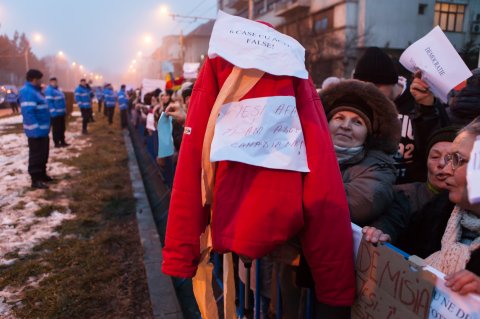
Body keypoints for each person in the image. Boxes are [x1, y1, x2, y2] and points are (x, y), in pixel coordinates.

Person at [162, 23, 355, 317]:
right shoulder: (295, 75)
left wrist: (182, 253)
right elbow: (323, 183)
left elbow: (191, 167)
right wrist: (335, 286)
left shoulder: (217, 66)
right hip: (282, 234)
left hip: (230, 232)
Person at [364, 117, 480, 295]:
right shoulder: (435, 213)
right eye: (438, 157)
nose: (446, 169)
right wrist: (384, 239)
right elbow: (406, 256)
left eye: (458, 160)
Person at [353, 47, 448, 184]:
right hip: (373, 186)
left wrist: (427, 109)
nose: (371, 94)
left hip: (414, 189)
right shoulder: (361, 103)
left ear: (392, 82)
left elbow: (440, 143)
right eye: (365, 88)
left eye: (377, 87)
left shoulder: (421, 97)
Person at [321, 79, 401, 226]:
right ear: (326, 123)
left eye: (357, 122)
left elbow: (360, 203)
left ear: (367, 134)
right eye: (339, 118)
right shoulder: (300, 151)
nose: (346, 126)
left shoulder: (379, 167)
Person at [18, 69, 52, 189]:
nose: (41, 81)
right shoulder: (27, 92)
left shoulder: (36, 91)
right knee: (36, 155)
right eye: (40, 79)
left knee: (43, 154)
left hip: (42, 130)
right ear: (34, 79)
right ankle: (35, 179)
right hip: (35, 131)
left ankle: (42, 175)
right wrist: (35, 129)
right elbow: (28, 113)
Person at [45, 77, 69, 147]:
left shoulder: (59, 90)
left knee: (62, 128)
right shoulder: (49, 90)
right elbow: (49, 102)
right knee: (56, 129)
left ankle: (62, 141)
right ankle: (56, 143)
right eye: (52, 82)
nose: (54, 83)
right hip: (55, 114)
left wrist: (64, 110)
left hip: (61, 113)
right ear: (50, 82)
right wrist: (53, 112)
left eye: (55, 81)